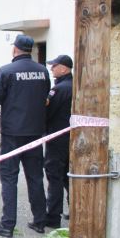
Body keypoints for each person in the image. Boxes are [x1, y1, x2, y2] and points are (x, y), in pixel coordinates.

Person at [0, 34, 51, 238]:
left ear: (15, 49)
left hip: (12, 133)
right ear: (31, 50)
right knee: (35, 177)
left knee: (9, 178)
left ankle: (7, 223)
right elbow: (45, 98)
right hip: (35, 133)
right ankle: (40, 220)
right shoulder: (42, 71)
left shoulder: (6, 71)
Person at [44, 54, 73, 227]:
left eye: (54, 66)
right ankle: (74, 210)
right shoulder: (74, 85)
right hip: (71, 138)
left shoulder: (59, 89)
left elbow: (48, 113)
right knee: (68, 176)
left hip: (57, 138)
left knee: (54, 176)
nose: (51, 68)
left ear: (63, 69)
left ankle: (53, 217)